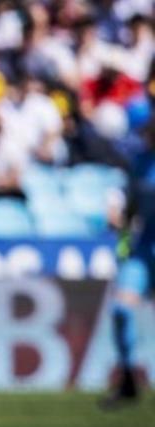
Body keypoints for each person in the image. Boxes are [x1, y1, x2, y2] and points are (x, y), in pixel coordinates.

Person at [102, 119, 155, 406]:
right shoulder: (140, 162)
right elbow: (128, 203)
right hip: (144, 248)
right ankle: (128, 381)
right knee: (122, 310)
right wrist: (118, 215)